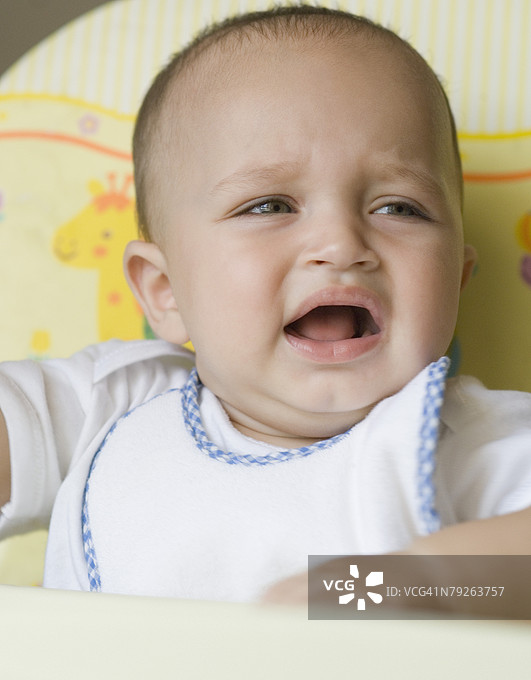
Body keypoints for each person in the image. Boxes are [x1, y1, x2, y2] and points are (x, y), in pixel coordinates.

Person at [0, 5, 530, 602]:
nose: (340, 244)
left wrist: (384, 587)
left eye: (398, 207)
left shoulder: (458, 440)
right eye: (269, 205)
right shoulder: (112, 404)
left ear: (456, 282)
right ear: (165, 292)